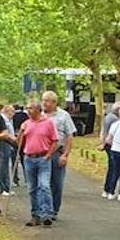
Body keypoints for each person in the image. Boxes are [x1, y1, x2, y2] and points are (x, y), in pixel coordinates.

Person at [18, 100, 57, 226]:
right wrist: (21, 131)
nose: (28, 111)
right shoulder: (26, 123)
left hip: (43, 158)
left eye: (31, 108)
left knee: (44, 185)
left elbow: (55, 141)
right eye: (27, 108)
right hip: (29, 158)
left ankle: (47, 214)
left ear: (38, 110)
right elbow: (19, 143)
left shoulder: (48, 123)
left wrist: (49, 155)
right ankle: (36, 215)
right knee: (31, 188)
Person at [42, 91, 76, 219]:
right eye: (43, 100)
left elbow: (70, 136)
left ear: (54, 102)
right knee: (42, 183)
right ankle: (44, 209)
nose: (44, 103)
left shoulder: (64, 116)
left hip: (57, 152)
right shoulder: (39, 115)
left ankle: (54, 210)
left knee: (56, 183)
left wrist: (65, 155)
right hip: (41, 153)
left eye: (46, 101)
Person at [0, 104, 17, 195]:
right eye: (12, 111)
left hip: (8, 144)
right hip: (3, 143)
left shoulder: (9, 120)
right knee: (3, 166)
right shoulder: (3, 120)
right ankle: (2, 188)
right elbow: (5, 133)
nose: (14, 113)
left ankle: (7, 187)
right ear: (7, 111)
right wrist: (14, 140)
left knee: (6, 165)